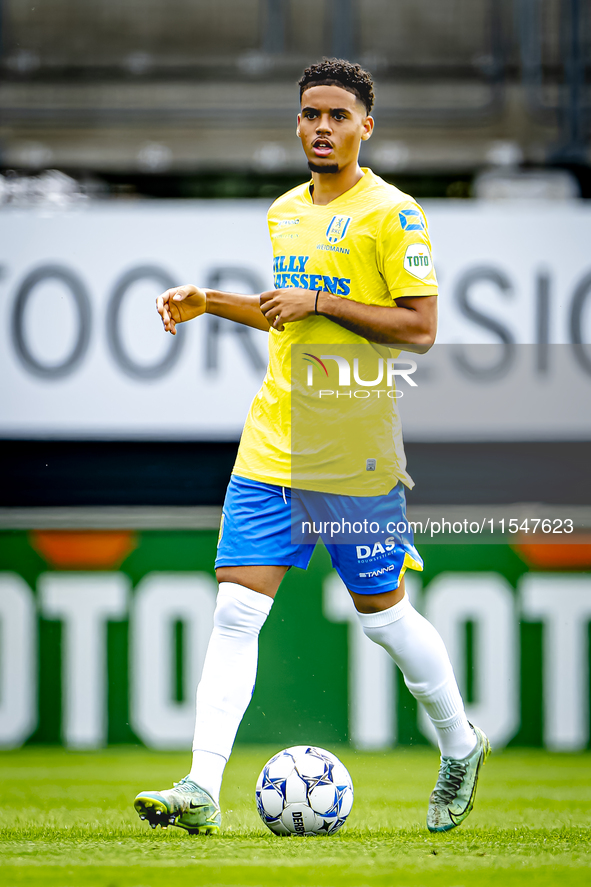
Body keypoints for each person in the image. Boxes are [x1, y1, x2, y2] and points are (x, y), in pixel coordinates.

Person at [133, 58, 490, 836]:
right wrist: (211, 302)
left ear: (366, 124)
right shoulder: (284, 212)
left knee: (385, 618)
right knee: (234, 609)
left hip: (354, 452)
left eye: (336, 114)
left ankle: (460, 744)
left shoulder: (393, 214)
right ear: (296, 124)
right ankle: (200, 786)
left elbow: (420, 329)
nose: (320, 126)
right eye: (308, 114)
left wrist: (319, 297)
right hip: (272, 444)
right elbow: (286, 315)